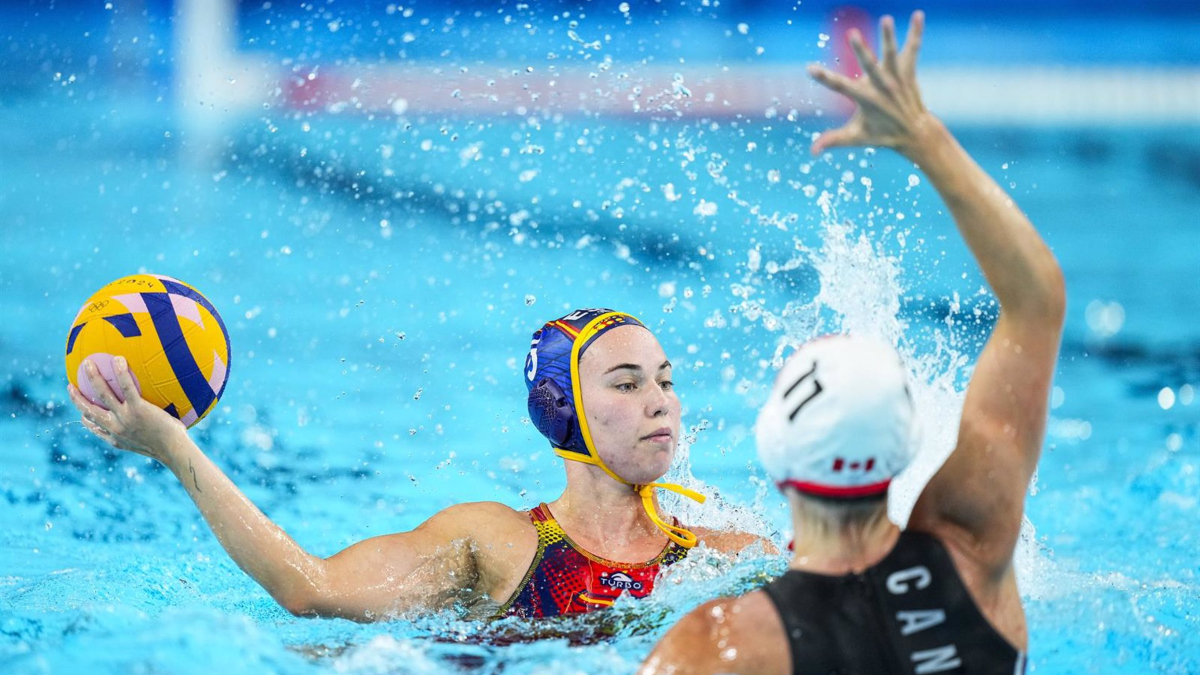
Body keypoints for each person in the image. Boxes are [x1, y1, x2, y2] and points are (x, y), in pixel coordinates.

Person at [640, 10, 1064, 675]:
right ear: (906, 446)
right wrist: (925, 139)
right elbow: (1036, 304)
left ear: (773, 446)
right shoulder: (974, 545)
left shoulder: (720, 642)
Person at [69, 308, 763, 621]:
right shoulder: (498, 541)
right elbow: (308, 588)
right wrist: (172, 446)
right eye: (627, 382)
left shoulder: (719, 554)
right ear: (560, 411)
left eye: (666, 380)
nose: (660, 402)